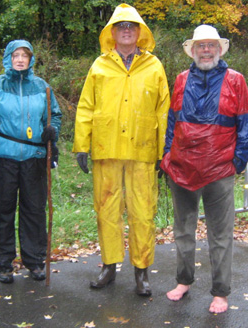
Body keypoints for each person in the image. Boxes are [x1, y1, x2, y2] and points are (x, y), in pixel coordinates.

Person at [73, 3, 170, 296]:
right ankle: (109, 266)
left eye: (131, 26)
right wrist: (81, 145)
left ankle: (142, 271)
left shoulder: (154, 66)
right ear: (112, 33)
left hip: (143, 152)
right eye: (121, 27)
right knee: (107, 211)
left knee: (143, 212)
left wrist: (163, 153)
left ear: (140, 32)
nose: (126, 31)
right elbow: (86, 106)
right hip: (107, 149)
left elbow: (164, 110)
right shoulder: (99, 66)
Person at [160, 24, 248, 313]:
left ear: (219, 49)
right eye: (200, 45)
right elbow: (172, 121)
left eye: (210, 45)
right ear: (193, 50)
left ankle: (221, 292)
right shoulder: (180, 79)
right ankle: (183, 280)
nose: (205, 50)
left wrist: (238, 162)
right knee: (183, 230)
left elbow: (247, 124)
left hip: (219, 171)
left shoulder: (235, 81)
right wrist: (167, 155)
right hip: (182, 168)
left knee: (221, 233)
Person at [0, 40, 62, 284]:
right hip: (2, 159)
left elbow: (54, 115)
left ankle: (34, 260)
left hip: (34, 159)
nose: (20, 59)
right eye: (16, 55)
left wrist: (51, 130)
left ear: (32, 59)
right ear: (8, 58)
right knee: (2, 211)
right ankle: (3, 263)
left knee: (34, 210)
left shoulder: (42, 87)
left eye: (25, 55)